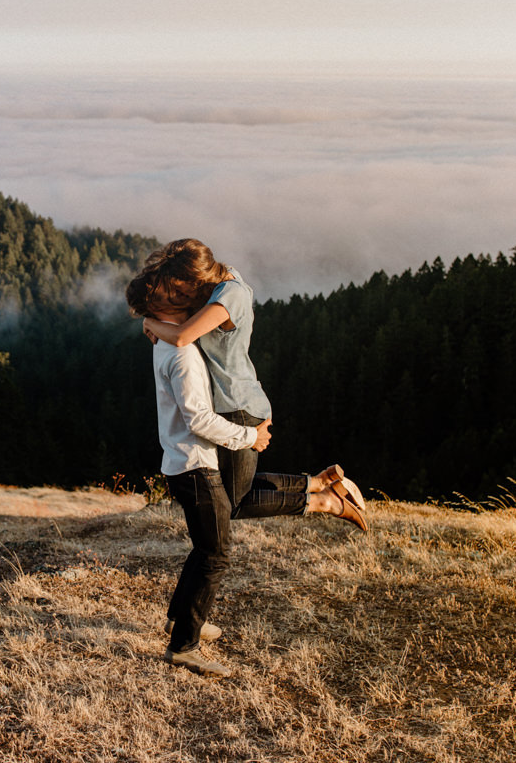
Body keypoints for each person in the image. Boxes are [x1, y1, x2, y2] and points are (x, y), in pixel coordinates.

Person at [126, 271, 367, 679]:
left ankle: (179, 621)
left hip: (185, 462)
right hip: (195, 464)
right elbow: (200, 419)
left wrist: (152, 323)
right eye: (172, 294)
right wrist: (248, 436)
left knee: (209, 543)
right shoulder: (179, 352)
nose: (183, 295)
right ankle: (184, 648)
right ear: (158, 307)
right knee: (213, 553)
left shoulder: (167, 339)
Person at [138, 238, 271, 509]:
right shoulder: (222, 275)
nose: (177, 295)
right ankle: (319, 486)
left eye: (180, 288)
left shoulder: (229, 294)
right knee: (232, 496)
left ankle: (325, 500)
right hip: (232, 398)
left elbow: (181, 337)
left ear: (196, 278)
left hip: (236, 404)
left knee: (231, 504)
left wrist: (150, 321)